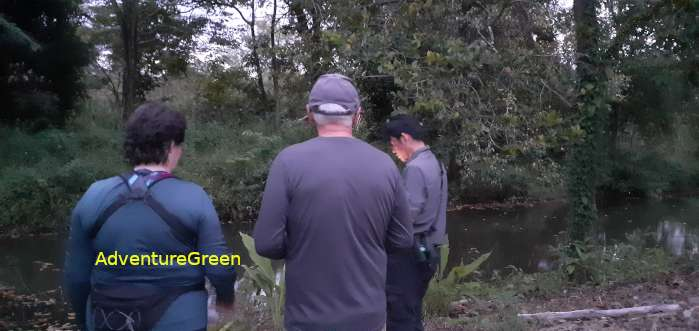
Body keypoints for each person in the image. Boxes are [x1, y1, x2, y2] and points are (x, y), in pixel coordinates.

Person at [253, 73, 413, 331]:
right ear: (357, 115)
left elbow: (267, 244)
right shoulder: (384, 165)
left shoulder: (287, 162)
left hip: (307, 320)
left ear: (310, 113)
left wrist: (304, 242)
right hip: (367, 318)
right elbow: (403, 241)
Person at [63, 102, 236, 331]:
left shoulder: (94, 195)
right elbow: (219, 266)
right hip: (179, 317)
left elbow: (76, 276)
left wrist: (84, 321)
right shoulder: (194, 197)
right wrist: (225, 299)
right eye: (180, 145)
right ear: (171, 146)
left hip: (106, 316)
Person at [383, 114, 448, 331]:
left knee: (400, 314)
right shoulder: (436, 163)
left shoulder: (415, 168)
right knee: (412, 310)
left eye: (393, 144)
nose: (393, 150)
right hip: (430, 249)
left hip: (411, 252)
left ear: (404, 138)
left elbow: (406, 216)